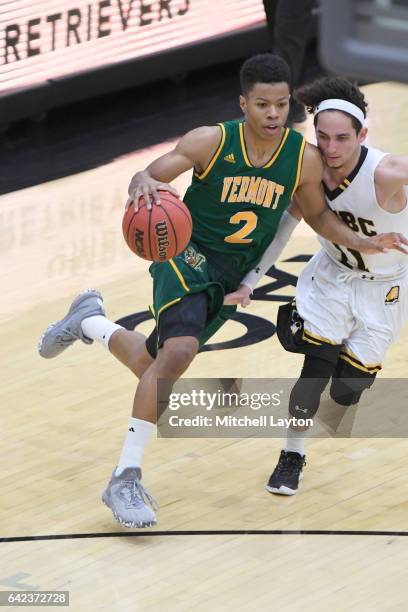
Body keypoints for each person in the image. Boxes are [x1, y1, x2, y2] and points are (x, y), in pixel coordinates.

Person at [38, 57, 406, 528]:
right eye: (262, 104)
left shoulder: (302, 158)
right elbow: (153, 173)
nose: (273, 113)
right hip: (186, 255)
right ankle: (124, 478)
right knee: (179, 353)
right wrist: (141, 180)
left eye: (280, 104)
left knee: (156, 367)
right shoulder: (210, 140)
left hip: (234, 276)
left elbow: (316, 216)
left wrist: (360, 241)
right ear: (243, 104)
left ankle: (88, 320)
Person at [225, 76, 408, 495]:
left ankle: (309, 335)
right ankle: (292, 454)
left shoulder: (388, 172)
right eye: (322, 136)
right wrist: (251, 281)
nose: (331, 148)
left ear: (363, 134)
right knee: (316, 364)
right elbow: (283, 230)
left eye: (343, 138)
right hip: (332, 276)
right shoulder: (307, 168)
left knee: (346, 394)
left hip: (387, 288)